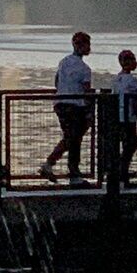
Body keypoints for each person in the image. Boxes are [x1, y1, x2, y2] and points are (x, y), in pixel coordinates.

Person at [40, 31, 95, 187]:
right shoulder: (85, 69)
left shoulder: (63, 62)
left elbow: (57, 81)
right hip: (75, 106)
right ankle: (72, 172)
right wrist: (90, 111)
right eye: (87, 44)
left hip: (60, 103)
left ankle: (51, 164)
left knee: (70, 138)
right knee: (74, 139)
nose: (88, 48)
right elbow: (86, 91)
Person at [109, 48, 137, 184]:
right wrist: (136, 114)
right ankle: (123, 170)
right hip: (128, 116)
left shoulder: (117, 79)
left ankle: (119, 169)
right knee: (132, 143)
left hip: (118, 115)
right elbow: (134, 99)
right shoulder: (131, 80)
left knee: (126, 142)